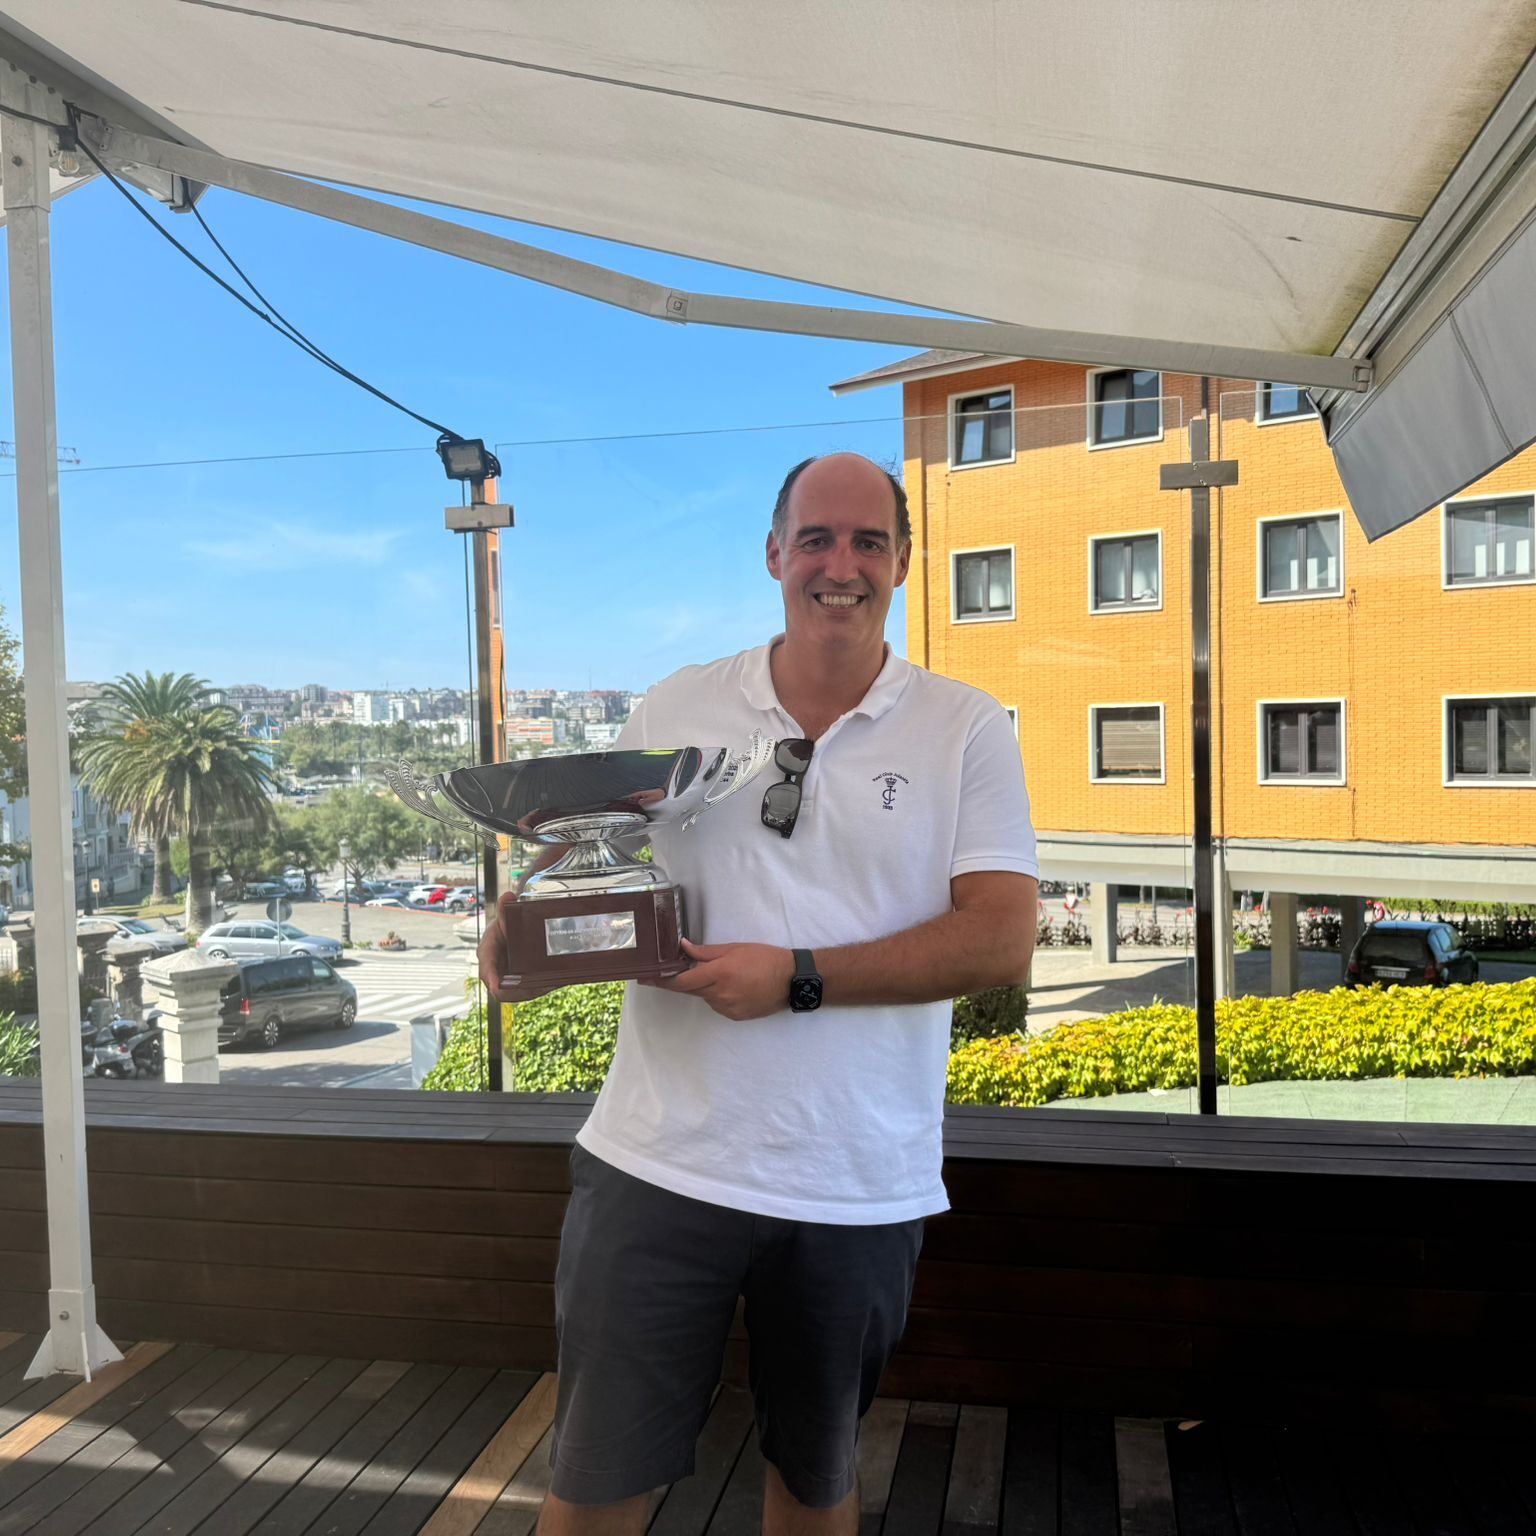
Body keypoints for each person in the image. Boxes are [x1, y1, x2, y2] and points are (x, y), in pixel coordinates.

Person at [479, 452, 1039, 1536]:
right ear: (775, 554)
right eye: (816, 539)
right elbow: (602, 866)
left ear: (904, 562)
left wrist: (798, 978)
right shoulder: (681, 703)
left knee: (814, 1488)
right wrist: (528, 932)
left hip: (853, 1183)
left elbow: (1001, 938)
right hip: (657, 1161)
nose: (841, 565)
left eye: (868, 542)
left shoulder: (966, 726)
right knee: (592, 1486)